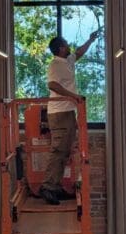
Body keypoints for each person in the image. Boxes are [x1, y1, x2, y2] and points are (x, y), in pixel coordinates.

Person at [40, 30, 100, 205]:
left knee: (65, 151)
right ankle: (48, 187)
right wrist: (73, 96)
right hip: (59, 113)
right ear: (61, 48)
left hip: (67, 112)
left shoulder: (67, 61)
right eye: (66, 45)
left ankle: (55, 187)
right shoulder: (55, 65)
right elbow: (52, 85)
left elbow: (79, 53)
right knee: (58, 150)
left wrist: (90, 40)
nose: (69, 47)